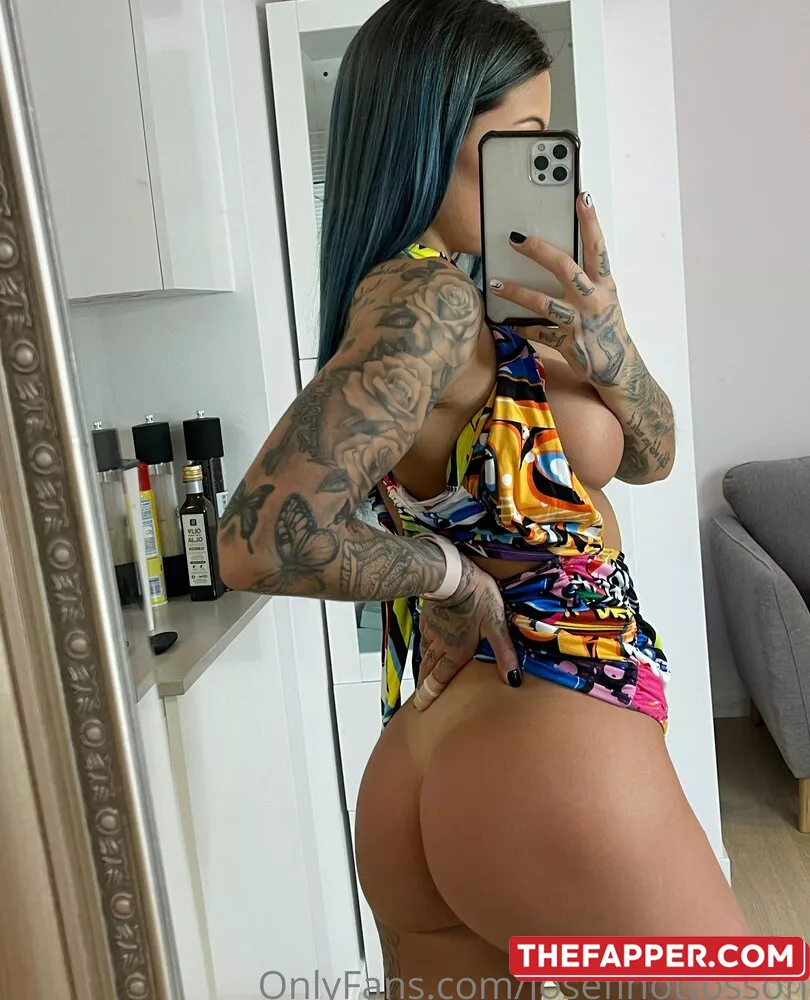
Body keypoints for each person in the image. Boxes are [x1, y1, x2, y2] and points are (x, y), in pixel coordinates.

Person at [219, 0, 750, 994]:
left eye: (546, 140)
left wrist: (609, 348)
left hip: (437, 760)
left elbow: (652, 458)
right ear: (429, 132)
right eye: (518, 140)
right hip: (548, 740)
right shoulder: (427, 302)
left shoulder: (487, 302)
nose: (540, 171)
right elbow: (259, 543)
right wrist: (451, 577)